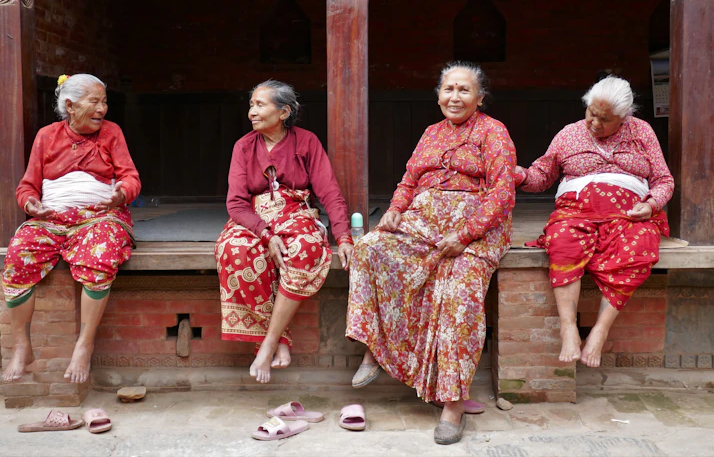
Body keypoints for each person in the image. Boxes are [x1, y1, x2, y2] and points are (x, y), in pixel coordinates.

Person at [346, 61, 516, 445]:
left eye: (464, 90)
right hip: (424, 221)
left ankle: (453, 405)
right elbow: (409, 181)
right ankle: (374, 344)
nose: (454, 97)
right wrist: (393, 209)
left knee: (458, 297)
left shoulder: (494, 133)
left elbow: (503, 194)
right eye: (448, 89)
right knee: (370, 247)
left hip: (475, 231)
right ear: (438, 95)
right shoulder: (430, 133)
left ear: (480, 98)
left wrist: (466, 235)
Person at [515, 76, 673, 368]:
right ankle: (568, 327)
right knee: (562, 238)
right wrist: (520, 175)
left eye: (606, 119)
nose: (595, 123)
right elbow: (542, 176)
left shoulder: (642, 132)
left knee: (640, 245)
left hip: (627, 214)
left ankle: (600, 331)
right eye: (591, 113)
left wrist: (650, 205)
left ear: (625, 117)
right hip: (576, 210)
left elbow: (663, 180)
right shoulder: (568, 134)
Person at [1, 74, 140, 384]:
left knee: (100, 254)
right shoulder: (46, 136)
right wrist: (32, 206)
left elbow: (130, 177)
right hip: (51, 218)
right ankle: (22, 344)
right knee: (18, 252)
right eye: (95, 101)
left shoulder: (111, 133)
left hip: (99, 217)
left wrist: (122, 193)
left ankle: (84, 344)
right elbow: (27, 186)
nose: (102, 108)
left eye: (104, 101)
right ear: (69, 105)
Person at [216, 80, 354, 384]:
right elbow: (236, 203)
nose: (251, 111)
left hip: (296, 213)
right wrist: (266, 233)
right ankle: (278, 341)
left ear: (283, 112)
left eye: (260, 105)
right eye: (251, 104)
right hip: (252, 217)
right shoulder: (244, 146)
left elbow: (329, 192)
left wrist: (343, 236)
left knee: (305, 249)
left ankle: (267, 344)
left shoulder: (306, 142)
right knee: (235, 251)